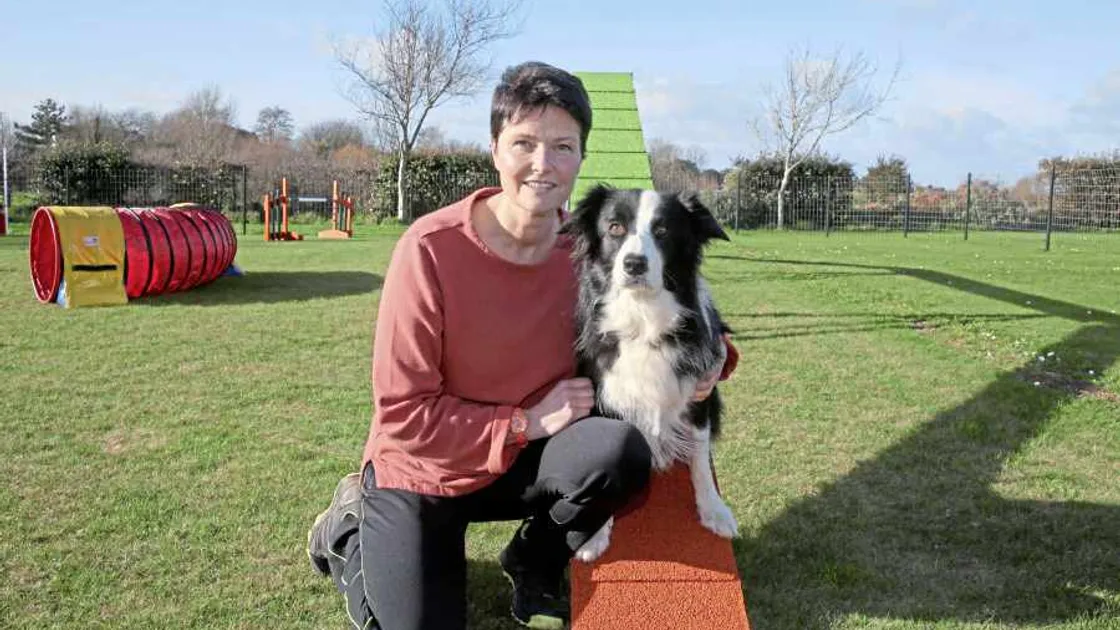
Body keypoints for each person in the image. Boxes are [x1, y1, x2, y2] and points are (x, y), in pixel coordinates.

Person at [306, 61, 736, 630]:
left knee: (616, 454)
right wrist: (523, 422)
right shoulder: (429, 250)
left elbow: (669, 316)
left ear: (581, 157)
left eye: (562, 146)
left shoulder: (586, 248)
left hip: (519, 466)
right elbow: (403, 415)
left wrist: (717, 361)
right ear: (494, 150)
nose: (543, 163)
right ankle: (348, 529)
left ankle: (532, 561)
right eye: (524, 143)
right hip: (425, 472)